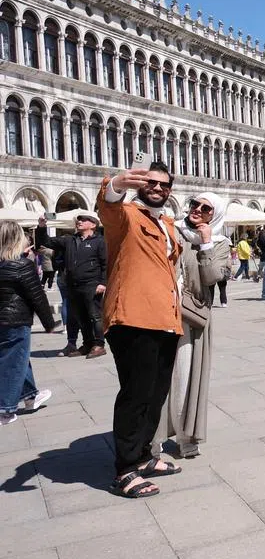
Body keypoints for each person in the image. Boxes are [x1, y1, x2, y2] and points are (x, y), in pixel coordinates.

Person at [97, 162, 185, 499]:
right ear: (139, 185)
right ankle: (125, 469)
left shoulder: (166, 223)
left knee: (156, 392)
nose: (157, 188)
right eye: (151, 182)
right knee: (135, 394)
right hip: (133, 317)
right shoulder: (127, 217)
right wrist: (115, 184)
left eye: (164, 184)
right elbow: (108, 206)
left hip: (165, 318)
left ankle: (145, 455)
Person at [152, 192, 230, 460]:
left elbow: (211, 278)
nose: (197, 209)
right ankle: (153, 438)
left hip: (192, 317)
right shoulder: (172, 230)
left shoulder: (220, 244)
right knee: (155, 378)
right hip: (160, 312)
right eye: (195, 204)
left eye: (205, 208)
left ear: (215, 214)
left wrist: (206, 243)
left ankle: (186, 436)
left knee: (185, 378)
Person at [0, 221, 56, 425]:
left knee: (18, 357)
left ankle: (31, 396)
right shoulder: (22, 265)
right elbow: (37, 296)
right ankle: (6, 410)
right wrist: (49, 323)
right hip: (16, 320)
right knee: (13, 362)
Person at [36, 212, 107, 358]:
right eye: (78, 220)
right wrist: (42, 227)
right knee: (81, 317)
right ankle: (87, 344)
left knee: (95, 316)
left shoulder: (99, 241)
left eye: (83, 220)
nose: (79, 221)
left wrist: (103, 283)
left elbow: (105, 264)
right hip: (73, 285)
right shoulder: (69, 240)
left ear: (93, 225)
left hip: (91, 284)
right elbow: (46, 242)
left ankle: (99, 345)